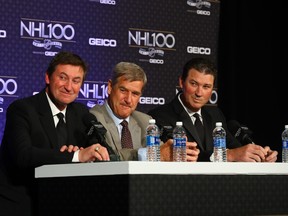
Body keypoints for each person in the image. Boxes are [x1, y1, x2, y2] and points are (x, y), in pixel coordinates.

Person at [0, 51, 110, 216]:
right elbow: (23, 155)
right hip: (22, 202)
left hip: (61, 201)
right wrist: (76, 156)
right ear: (47, 78)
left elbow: (97, 146)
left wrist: (96, 152)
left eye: (76, 81)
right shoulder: (22, 109)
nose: (69, 87)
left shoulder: (81, 113)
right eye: (63, 78)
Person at [148, 57, 278, 162]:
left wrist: (258, 154)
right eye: (194, 84)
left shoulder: (215, 115)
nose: (199, 93)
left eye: (206, 86)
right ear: (181, 82)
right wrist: (229, 155)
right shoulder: (158, 116)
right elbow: (181, 156)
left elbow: (238, 149)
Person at [89, 61, 200, 161]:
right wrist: (152, 154)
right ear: (109, 87)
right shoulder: (94, 118)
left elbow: (161, 151)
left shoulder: (145, 121)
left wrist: (177, 153)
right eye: (123, 90)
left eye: (135, 94)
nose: (128, 100)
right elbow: (110, 156)